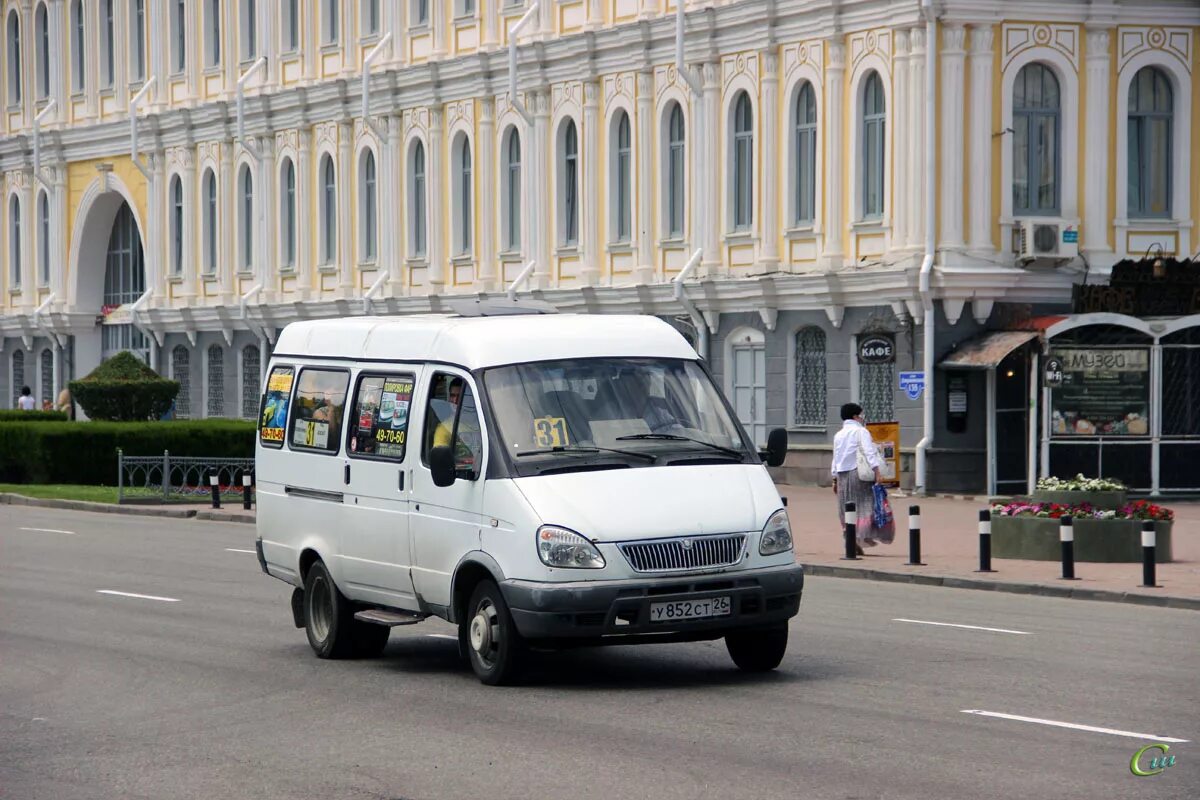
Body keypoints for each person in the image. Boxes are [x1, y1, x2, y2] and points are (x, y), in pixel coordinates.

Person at [830, 402, 887, 555]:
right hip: (858, 474)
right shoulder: (861, 431)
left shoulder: (838, 434)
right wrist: (877, 472)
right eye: (861, 414)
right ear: (855, 416)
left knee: (846, 508)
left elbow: (835, 457)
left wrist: (834, 479)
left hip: (842, 476)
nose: (863, 417)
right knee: (865, 505)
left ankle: (850, 539)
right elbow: (869, 452)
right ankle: (859, 538)